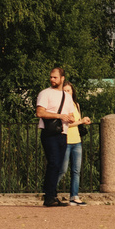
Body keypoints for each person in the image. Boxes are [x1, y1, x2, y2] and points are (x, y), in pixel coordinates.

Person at [33, 68, 75, 208]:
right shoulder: (45, 93)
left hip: (63, 132)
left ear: (62, 78)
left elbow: (71, 115)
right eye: (51, 77)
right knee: (53, 162)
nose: (52, 79)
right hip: (49, 133)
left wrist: (70, 118)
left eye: (55, 77)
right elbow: (40, 112)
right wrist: (59, 116)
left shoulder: (67, 96)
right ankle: (49, 196)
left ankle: (52, 195)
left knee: (58, 165)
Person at [58, 80, 91, 206]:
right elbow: (67, 124)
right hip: (66, 140)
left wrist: (83, 121)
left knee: (76, 170)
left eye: (68, 91)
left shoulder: (76, 104)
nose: (66, 93)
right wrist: (81, 121)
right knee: (63, 169)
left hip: (76, 140)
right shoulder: (62, 106)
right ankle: (50, 191)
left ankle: (74, 196)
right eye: (64, 91)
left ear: (72, 92)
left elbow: (75, 122)